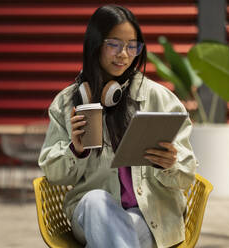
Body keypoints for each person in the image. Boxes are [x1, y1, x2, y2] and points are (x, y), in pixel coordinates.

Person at [38, 5, 197, 248]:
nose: (124, 54)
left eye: (132, 46)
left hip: (149, 217)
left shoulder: (160, 99)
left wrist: (171, 164)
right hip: (91, 214)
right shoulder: (66, 103)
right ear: (95, 44)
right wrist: (75, 150)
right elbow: (53, 175)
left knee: (114, 237)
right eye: (114, 44)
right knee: (95, 201)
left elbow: (187, 177)